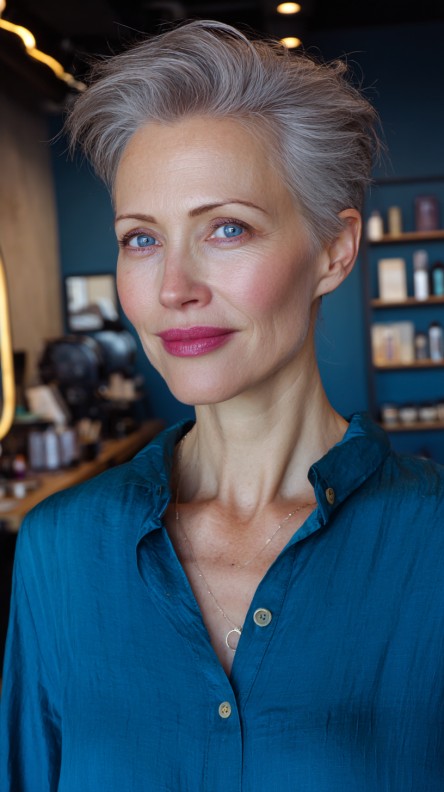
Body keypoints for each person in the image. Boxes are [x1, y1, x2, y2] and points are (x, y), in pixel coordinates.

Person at [1, 19, 444, 792]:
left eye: (227, 228)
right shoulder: (59, 551)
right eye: (142, 239)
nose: (174, 287)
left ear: (334, 251)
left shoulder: (430, 544)